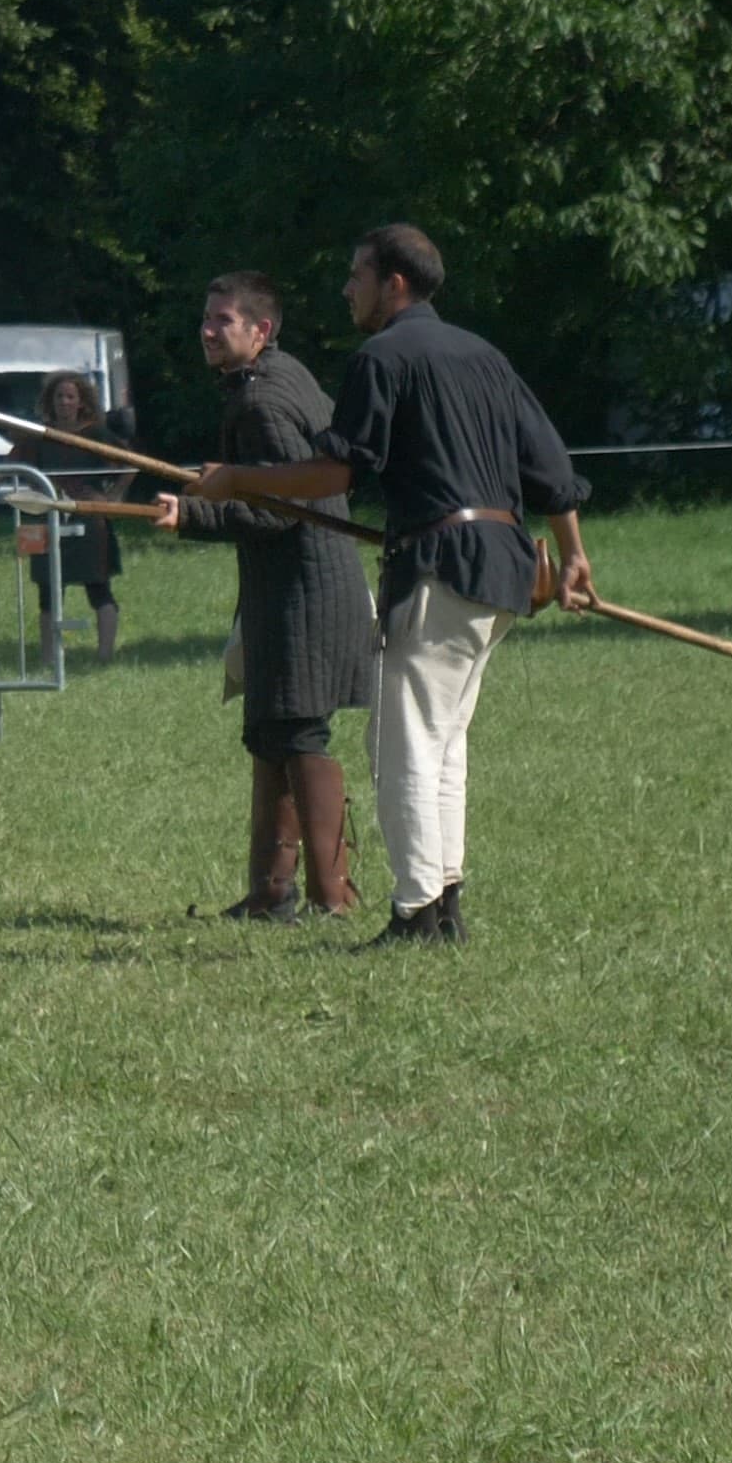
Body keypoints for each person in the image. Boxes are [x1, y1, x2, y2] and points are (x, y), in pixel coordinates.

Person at [185, 225, 593, 949]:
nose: (347, 289)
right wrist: (572, 557)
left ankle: (414, 914)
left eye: (356, 276)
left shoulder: (383, 356)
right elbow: (552, 467)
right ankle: (444, 905)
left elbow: (334, 477)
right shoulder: (485, 354)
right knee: (443, 745)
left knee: (403, 746)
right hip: (500, 568)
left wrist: (234, 480)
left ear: (393, 284)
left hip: (442, 565)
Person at [154, 273, 373, 920]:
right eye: (207, 318)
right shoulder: (282, 378)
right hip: (297, 583)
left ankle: (331, 898)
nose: (208, 330)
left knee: (300, 730)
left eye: (223, 320)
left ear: (261, 330)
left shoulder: (262, 403)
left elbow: (283, 509)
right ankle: (271, 894)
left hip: (303, 588)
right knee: (273, 729)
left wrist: (192, 517)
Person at [21, 370, 135, 665]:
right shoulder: (40, 435)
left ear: (80, 401)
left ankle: (105, 655)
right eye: (59, 396)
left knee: (98, 587)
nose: (64, 402)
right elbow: (18, 468)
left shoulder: (95, 434)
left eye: (70, 396)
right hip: (47, 518)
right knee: (48, 590)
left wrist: (112, 497)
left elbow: (131, 464)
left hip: (89, 519)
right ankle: (48, 658)